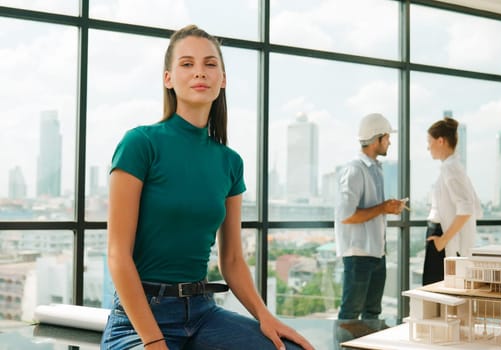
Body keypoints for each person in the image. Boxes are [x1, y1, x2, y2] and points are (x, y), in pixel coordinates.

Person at [101, 24, 313, 350]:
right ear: (168, 78)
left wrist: (264, 315)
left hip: (203, 315)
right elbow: (118, 255)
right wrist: (154, 340)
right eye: (187, 64)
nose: (200, 72)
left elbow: (232, 260)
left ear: (222, 80)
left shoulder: (230, 163)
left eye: (210, 64)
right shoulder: (139, 144)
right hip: (138, 320)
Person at [333, 113, 406, 347]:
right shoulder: (354, 170)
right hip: (358, 255)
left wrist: (387, 208)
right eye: (387, 138)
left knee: (372, 315)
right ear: (378, 139)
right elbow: (346, 215)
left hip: (376, 252)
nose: (390, 142)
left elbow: (371, 209)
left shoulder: (376, 169)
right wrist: (383, 207)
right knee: (349, 319)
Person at [423, 117, 482, 286]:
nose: (428, 147)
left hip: (443, 239)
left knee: (436, 291)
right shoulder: (451, 167)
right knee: (435, 291)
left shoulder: (451, 169)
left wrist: (443, 240)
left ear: (440, 141)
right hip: (440, 236)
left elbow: (467, 209)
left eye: (430, 142)